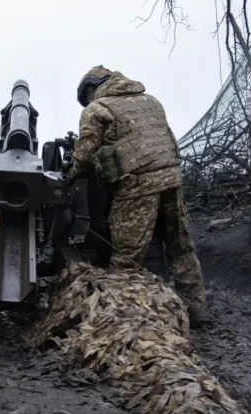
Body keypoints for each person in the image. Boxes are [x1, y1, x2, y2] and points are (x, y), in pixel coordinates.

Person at [69, 65, 208, 325]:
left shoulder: (97, 109)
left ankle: (123, 322)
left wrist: (72, 173)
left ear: (91, 89)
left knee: (126, 257)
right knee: (181, 247)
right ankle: (197, 311)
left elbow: (85, 156)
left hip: (137, 185)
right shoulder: (150, 100)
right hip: (172, 178)